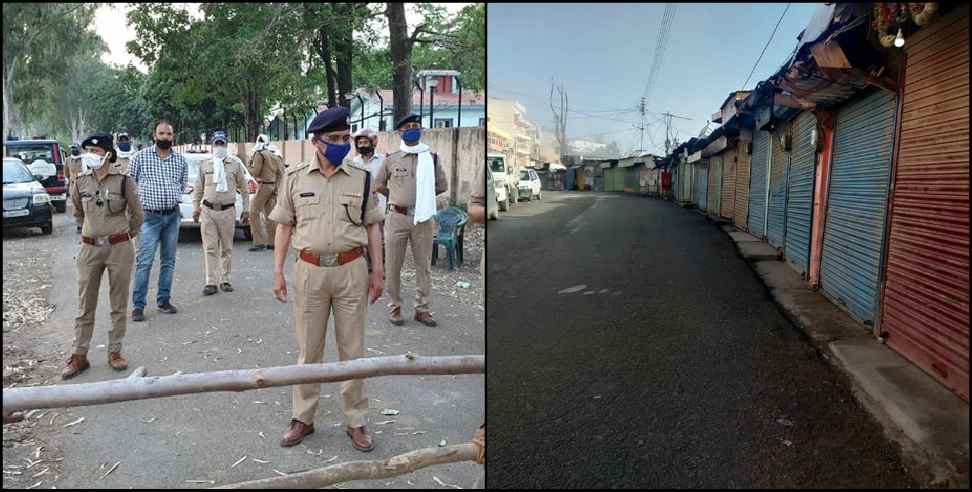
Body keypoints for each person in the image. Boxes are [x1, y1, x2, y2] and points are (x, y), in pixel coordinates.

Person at [268, 107, 384, 452]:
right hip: (309, 271)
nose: (341, 145)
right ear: (315, 141)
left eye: (345, 138)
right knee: (309, 349)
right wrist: (277, 271)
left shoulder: (361, 178)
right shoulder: (295, 178)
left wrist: (378, 270)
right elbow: (284, 226)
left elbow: (373, 225)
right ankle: (303, 417)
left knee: (354, 351)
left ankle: (356, 420)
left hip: (351, 271)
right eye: (333, 139)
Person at [63, 133, 144, 379]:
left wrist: (123, 234)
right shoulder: (80, 181)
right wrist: (91, 231)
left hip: (119, 248)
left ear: (108, 154)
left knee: (118, 304)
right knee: (84, 304)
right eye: (88, 151)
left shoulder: (123, 181)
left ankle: (115, 352)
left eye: (96, 152)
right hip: (89, 249)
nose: (91, 155)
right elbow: (77, 212)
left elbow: (137, 214)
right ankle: (79, 356)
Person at [375, 114, 448, 327]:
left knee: (423, 265)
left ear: (421, 130)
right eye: (407, 127)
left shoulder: (431, 158)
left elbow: (442, 185)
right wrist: (395, 197)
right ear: (400, 132)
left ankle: (422, 309)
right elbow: (379, 184)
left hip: (423, 218)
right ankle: (395, 307)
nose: (412, 130)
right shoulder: (391, 159)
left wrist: (424, 199)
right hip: (396, 217)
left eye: (415, 126)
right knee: (393, 265)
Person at [128, 120, 188, 322]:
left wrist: (172, 198)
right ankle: (138, 305)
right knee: (144, 262)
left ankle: (163, 300)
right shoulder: (140, 158)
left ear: (173, 136)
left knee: (168, 261)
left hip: (172, 216)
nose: (165, 137)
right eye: (161, 133)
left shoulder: (180, 160)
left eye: (168, 134)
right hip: (148, 217)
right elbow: (130, 184)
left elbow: (182, 184)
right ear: (154, 136)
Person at [192, 131, 250, 296]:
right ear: (212, 145)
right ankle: (210, 282)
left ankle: (225, 279)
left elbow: (244, 190)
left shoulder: (235, 165)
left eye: (222, 143)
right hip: (208, 211)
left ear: (226, 145)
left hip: (228, 211)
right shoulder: (204, 165)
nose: (219, 147)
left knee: (226, 248)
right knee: (210, 247)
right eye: (216, 143)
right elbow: (198, 189)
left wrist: (246, 209)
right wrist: (196, 208)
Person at [351, 128, 387, 273]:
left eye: (366, 142)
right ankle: (366, 266)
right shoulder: (354, 162)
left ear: (373, 143)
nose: (363, 145)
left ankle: (380, 267)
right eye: (360, 142)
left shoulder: (384, 161)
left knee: (379, 238)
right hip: (360, 205)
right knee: (362, 237)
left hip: (379, 205)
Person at [247, 133, 283, 252]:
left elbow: (256, 172)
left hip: (263, 186)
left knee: (253, 212)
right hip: (273, 186)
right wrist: (277, 187)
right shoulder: (274, 154)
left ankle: (259, 242)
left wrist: (249, 165)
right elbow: (281, 173)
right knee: (270, 216)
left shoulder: (259, 154)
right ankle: (272, 242)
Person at [66, 142, 84, 233]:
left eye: (75, 148)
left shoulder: (84, 159)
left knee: (85, 204)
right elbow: (66, 174)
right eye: (72, 148)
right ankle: (79, 224)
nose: (73, 150)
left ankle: (87, 223)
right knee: (76, 206)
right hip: (73, 186)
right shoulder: (68, 160)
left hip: (84, 185)